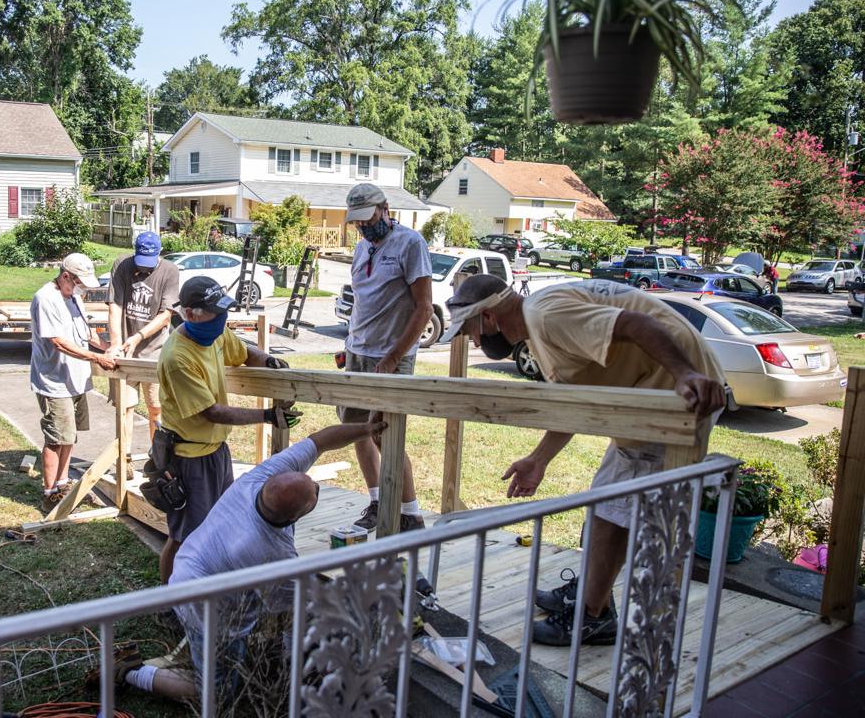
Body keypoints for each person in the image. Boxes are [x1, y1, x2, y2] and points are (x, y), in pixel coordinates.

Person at [444, 275, 726, 646]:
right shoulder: (540, 324)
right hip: (652, 396)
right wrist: (538, 459)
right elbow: (574, 403)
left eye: (471, 331)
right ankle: (594, 593)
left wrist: (685, 373)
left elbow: (639, 324)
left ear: (490, 318)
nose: (474, 342)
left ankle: (593, 616)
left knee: (609, 517)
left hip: (675, 401)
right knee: (605, 506)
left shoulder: (546, 317)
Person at [119, 418, 389, 701]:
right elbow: (295, 607)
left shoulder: (260, 478)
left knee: (272, 608)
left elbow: (320, 440)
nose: (318, 488)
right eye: (315, 494)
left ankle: (266, 652)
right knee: (217, 693)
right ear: (294, 517)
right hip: (202, 605)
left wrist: (365, 429)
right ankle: (130, 672)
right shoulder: (271, 553)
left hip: (190, 566)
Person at [155, 276, 299, 582]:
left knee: (221, 523)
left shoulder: (214, 334)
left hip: (216, 451)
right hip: (188, 457)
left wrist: (270, 361)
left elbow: (245, 353)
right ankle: (170, 601)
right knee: (185, 535)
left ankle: (210, 585)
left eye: (224, 313)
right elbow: (213, 412)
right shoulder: (177, 358)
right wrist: (268, 416)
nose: (222, 320)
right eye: (215, 314)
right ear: (190, 313)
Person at [341, 183, 433, 533]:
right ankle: (379, 501)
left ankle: (410, 513)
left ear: (385, 209)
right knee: (356, 430)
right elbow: (363, 304)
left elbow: (424, 308)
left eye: (368, 218)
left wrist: (394, 357)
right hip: (359, 350)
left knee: (386, 433)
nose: (363, 227)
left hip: (391, 355)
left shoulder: (410, 244)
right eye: (358, 222)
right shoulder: (362, 248)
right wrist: (350, 343)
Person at [30, 253, 118, 512]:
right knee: (56, 438)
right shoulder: (46, 299)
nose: (82, 288)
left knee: (70, 436)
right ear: (66, 276)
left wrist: (107, 348)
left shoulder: (75, 297)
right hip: (54, 381)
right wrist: (95, 357)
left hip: (75, 381)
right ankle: (50, 493)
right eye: (79, 282)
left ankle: (63, 482)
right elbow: (58, 342)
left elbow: (85, 332)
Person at [107, 231, 180, 444]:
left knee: (156, 409)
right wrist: (115, 344)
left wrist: (138, 337)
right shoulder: (122, 265)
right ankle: (125, 459)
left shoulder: (170, 271)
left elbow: (166, 315)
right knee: (125, 408)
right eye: (140, 261)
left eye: (149, 263)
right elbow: (115, 306)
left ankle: (157, 459)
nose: (143, 267)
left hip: (155, 354)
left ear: (159, 254)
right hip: (125, 354)